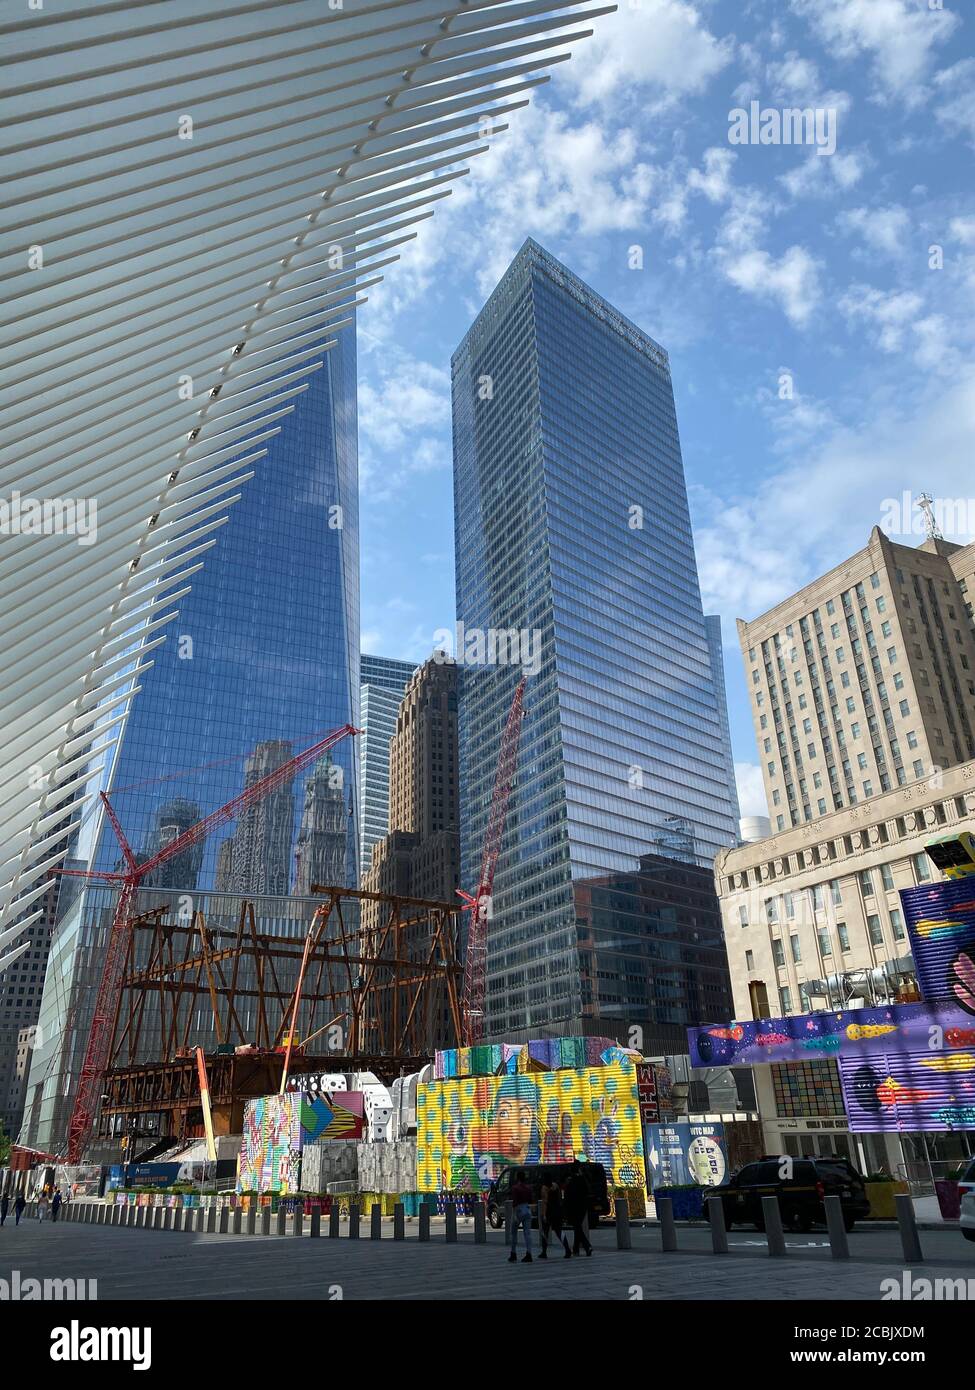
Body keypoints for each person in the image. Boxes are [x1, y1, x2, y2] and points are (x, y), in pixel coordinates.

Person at [538, 1171, 570, 1258]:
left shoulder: (544, 1188)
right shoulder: (556, 1186)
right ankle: (567, 1249)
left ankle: (544, 1252)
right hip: (557, 1211)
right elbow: (559, 1198)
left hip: (549, 1212)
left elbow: (545, 1202)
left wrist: (544, 1215)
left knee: (545, 1232)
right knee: (559, 1231)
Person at [564, 1162, 593, 1257]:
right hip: (583, 1207)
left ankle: (587, 1246)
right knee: (577, 1227)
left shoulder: (570, 1181)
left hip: (573, 1207)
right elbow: (587, 1191)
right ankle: (576, 1249)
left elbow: (567, 1196)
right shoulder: (583, 1179)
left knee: (577, 1227)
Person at [507, 1168, 534, 1263]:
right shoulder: (528, 1188)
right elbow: (531, 1199)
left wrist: (514, 1213)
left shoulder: (515, 1188)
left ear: (517, 1178)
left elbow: (514, 1201)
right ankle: (529, 1253)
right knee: (527, 1233)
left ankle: (513, 1253)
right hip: (527, 1208)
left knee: (513, 1232)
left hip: (518, 1210)